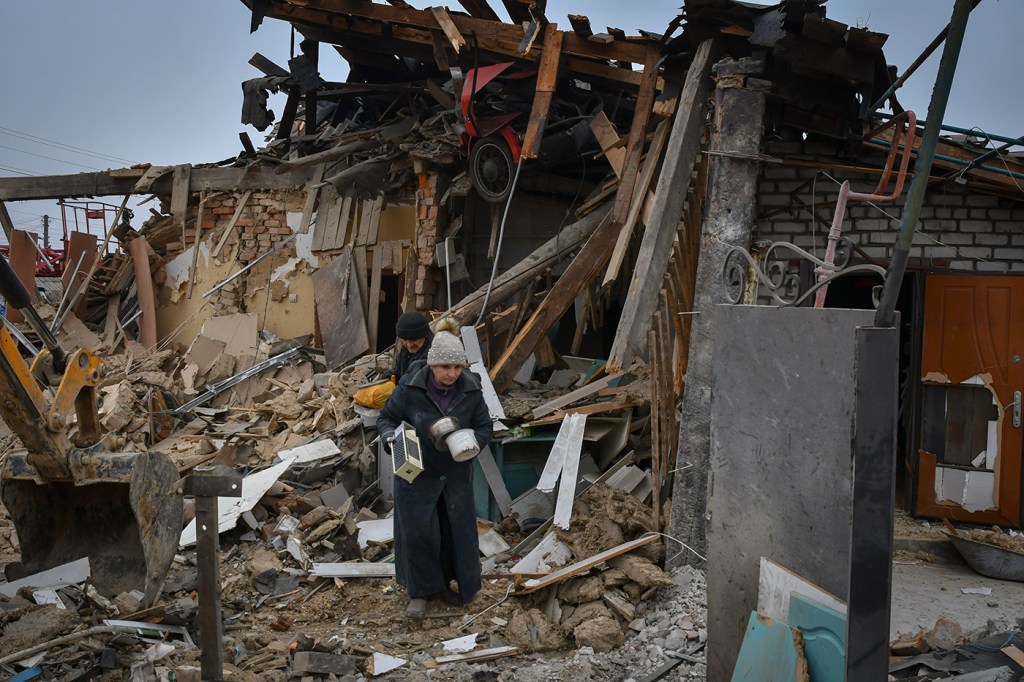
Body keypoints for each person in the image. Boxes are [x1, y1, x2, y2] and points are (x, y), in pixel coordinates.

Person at [377, 331, 492, 619]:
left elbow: (484, 426)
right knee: (419, 534)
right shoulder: (410, 388)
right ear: (432, 365)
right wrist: (391, 437)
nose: (452, 373)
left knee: (455, 533)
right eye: (445, 367)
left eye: (456, 367)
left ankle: (451, 586)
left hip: (454, 474)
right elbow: (386, 418)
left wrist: (474, 442)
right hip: (418, 473)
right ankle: (419, 594)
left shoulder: (471, 390)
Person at [384, 311, 433, 383]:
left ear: (425, 335)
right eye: (405, 339)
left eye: (414, 339)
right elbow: (398, 372)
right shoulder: (404, 352)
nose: (409, 345)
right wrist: (384, 378)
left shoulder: (433, 356)